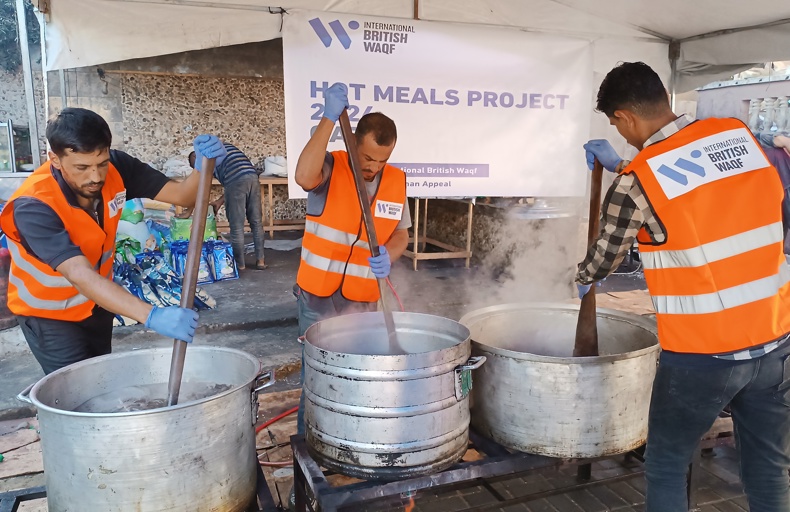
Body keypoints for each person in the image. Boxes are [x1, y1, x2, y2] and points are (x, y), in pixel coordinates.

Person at [578, 62, 790, 511]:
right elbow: (706, 184)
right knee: (770, 465)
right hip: (774, 340)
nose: (620, 134)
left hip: (702, 354)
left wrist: (581, 278)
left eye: (616, 124)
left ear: (625, 117)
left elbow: (605, 257)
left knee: (668, 462)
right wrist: (625, 165)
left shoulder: (636, 183)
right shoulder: (737, 135)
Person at [0, 107, 227, 375]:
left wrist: (201, 169)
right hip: (51, 317)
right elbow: (78, 273)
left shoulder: (117, 168)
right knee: (75, 395)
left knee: (100, 383)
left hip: (98, 305)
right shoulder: (34, 206)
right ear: (55, 159)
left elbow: (183, 197)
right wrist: (150, 314)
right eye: (82, 168)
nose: (95, 176)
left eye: (101, 163)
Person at [292, 83, 411, 425]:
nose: (374, 166)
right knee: (317, 378)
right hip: (317, 297)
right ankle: (309, 444)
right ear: (354, 144)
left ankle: (349, 437)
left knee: (358, 374)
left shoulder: (397, 181)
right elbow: (303, 176)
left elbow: (401, 233)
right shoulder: (332, 166)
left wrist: (390, 253)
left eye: (383, 159)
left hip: (362, 301)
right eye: (368, 157)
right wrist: (329, 119)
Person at [187, 141, 266, 270]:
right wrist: (219, 201)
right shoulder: (223, 147)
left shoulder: (206, 158)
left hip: (236, 182)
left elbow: (203, 187)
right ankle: (261, 261)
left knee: (236, 226)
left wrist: (190, 208)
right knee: (256, 222)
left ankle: (240, 265)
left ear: (196, 158)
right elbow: (235, 179)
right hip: (252, 178)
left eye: (194, 166)